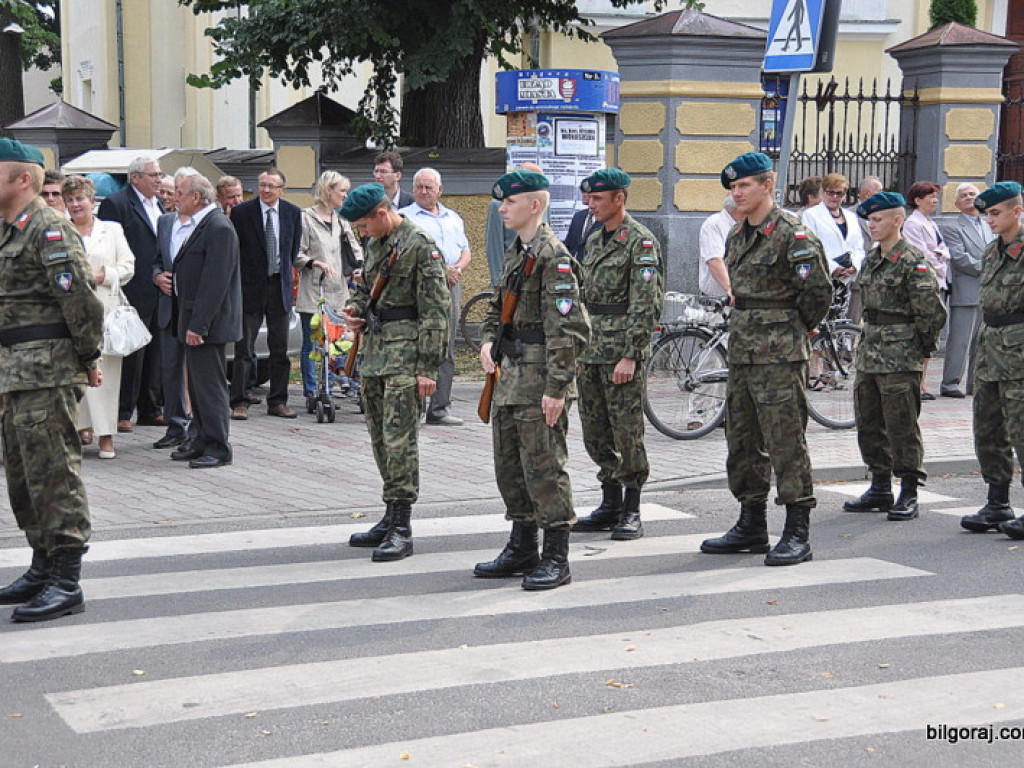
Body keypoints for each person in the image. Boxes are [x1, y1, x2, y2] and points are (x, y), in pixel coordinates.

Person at [700, 152, 832, 566]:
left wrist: (795, 329)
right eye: (733, 187)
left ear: (767, 186)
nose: (736, 193)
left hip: (779, 356)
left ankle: (797, 530)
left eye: (744, 185)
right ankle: (751, 522)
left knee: (785, 441)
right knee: (742, 440)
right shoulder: (738, 235)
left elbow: (818, 293)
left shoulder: (793, 235)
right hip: (743, 352)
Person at [0, 138, 105, 622]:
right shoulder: (10, 229)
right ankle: (42, 566)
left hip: (46, 370)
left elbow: (82, 301)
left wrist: (88, 356)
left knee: (54, 473)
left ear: (23, 178)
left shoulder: (50, 228)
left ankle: (66, 580)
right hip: (15, 372)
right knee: (25, 476)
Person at [474, 170, 590, 590]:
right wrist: (488, 341)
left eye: (510, 202)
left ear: (534, 206)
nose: (502, 209)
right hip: (509, 376)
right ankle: (522, 546)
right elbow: (497, 307)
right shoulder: (517, 251)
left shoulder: (552, 256)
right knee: (510, 466)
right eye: (502, 202)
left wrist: (557, 388)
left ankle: (556, 555)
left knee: (544, 467)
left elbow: (569, 330)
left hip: (540, 378)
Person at [340, 183, 450, 562]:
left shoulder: (420, 245)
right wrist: (354, 309)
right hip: (374, 354)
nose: (362, 232)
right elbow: (365, 288)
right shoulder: (376, 243)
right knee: (380, 439)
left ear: (382, 214)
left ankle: (402, 526)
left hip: (406, 358)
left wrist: (428, 368)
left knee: (400, 442)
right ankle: (389, 515)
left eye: (364, 225)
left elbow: (437, 312)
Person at [571, 169, 663, 540]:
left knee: (627, 431)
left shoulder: (640, 241)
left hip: (620, 352)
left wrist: (631, 355)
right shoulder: (594, 239)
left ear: (619, 199)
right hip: (591, 349)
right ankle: (609, 503)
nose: (590, 204)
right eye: (589, 198)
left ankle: (631, 508)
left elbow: (646, 303)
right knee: (595, 431)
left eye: (597, 198)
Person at [842, 192, 946, 521]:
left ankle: (909, 490)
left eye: (878, 220)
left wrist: (918, 350)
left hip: (900, 355)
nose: (872, 226)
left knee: (901, 425)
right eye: (869, 220)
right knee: (869, 422)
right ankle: (880, 486)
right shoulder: (872, 259)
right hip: (870, 351)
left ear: (897, 220)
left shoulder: (913, 261)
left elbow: (931, 313)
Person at [958, 182, 1024, 538]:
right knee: (988, 428)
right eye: (987, 215)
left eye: (996, 213)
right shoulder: (991, 251)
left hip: (1020, 352)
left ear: (1017, 210)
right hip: (990, 349)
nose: (990, 220)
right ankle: (997, 502)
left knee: (1022, 430)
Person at [165, 170, 242, 469]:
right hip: (192, 319)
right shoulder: (202, 223)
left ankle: (219, 446)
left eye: (180, 193)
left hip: (208, 324)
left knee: (210, 386)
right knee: (197, 386)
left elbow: (215, 282)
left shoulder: (218, 227)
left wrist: (199, 325)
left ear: (196, 197)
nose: (175, 199)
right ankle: (200, 439)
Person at [63, 174, 137, 460]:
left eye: (80, 198)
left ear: (92, 201)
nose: (75, 204)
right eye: (70, 200)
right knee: (74, 374)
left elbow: (128, 266)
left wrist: (102, 276)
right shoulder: (60, 230)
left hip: (106, 312)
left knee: (107, 376)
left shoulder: (111, 229)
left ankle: (106, 436)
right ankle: (80, 429)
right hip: (69, 313)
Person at [97, 155, 165, 433]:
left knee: (155, 352)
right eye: (153, 175)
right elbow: (109, 248)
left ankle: (150, 409)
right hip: (132, 288)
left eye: (160, 175)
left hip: (159, 288)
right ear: (135, 177)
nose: (159, 180)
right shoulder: (117, 204)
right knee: (130, 354)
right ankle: (122, 412)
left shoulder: (158, 204)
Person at [399, 167, 471, 426]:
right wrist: (442, 270)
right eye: (419, 187)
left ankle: (440, 408)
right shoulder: (404, 218)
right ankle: (415, 408)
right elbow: (404, 256)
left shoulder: (453, 218)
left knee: (446, 344)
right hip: (419, 288)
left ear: (440, 190)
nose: (423, 191)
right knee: (418, 343)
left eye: (428, 187)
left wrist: (457, 269)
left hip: (450, 285)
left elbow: (465, 250)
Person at [229, 167, 302, 420]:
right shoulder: (242, 212)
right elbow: (235, 250)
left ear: (282, 189)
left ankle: (278, 401)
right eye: (262, 185)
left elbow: (292, 250)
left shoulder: (292, 213)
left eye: (272, 186)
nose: (266, 190)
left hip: (278, 286)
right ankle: (240, 400)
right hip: (250, 287)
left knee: (279, 348)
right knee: (244, 348)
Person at [296, 171, 360, 406]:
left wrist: (360, 268)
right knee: (312, 343)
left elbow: (355, 250)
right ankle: (311, 391)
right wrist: (315, 263)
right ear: (328, 190)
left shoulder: (342, 221)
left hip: (338, 292)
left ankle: (333, 383)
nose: (345, 195)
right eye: (342, 190)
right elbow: (296, 253)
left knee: (338, 342)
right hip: (315, 291)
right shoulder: (306, 218)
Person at [939, 183, 990, 399]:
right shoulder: (952, 226)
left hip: (988, 291)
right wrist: (990, 267)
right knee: (960, 341)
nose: (969, 197)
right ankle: (950, 383)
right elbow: (959, 258)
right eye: (963, 195)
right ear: (956, 203)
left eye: (972, 194)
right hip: (966, 291)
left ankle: (975, 382)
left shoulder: (989, 224)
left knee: (982, 342)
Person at [903, 180, 951, 401]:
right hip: (926, 283)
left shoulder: (930, 222)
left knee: (932, 333)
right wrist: (940, 259)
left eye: (935, 196)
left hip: (938, 281)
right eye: (930, 197)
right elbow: (922, 255)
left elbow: (944, 251)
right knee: (924, 331)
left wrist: (941, 256)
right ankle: (918, 383)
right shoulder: (913, 224)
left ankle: (922, 381)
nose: (934, 200)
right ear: (917, 200)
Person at [697, 193, 741, 299]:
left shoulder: (750, 223)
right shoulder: (714, 224)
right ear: (738, 208)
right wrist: (730, 290)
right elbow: (714, 260)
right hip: (719, 299)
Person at [562, 193, 601, 261]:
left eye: (588, 191)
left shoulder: (608, 220)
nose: (584, 194)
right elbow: (568, 244)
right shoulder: (578, 216)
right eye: (583, 191)